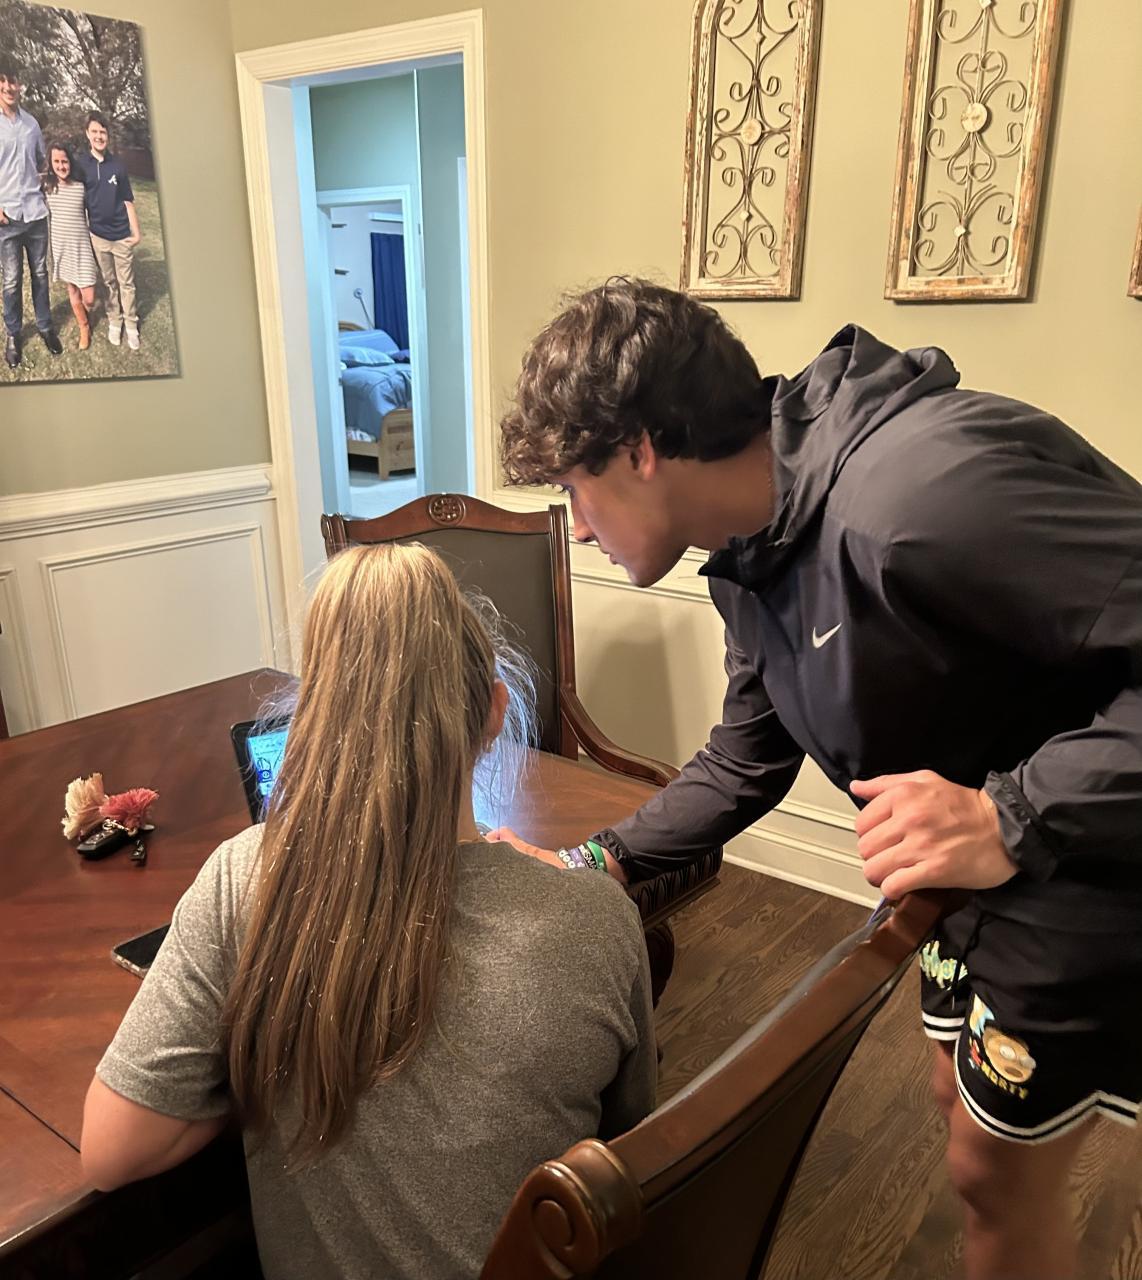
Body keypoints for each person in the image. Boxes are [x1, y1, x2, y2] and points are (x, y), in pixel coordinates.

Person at [494, 278, 1142, 1280]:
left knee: (993, 1175)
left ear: (639, 450)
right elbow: (745, 759)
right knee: (958, 1104)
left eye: (576, 490)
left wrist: (1009, 816)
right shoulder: (752, 551)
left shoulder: (921, 495)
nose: (576, 528)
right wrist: (593, 863)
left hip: (1081, 873)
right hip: (963, 889)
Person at [80, 543, 656, 1280]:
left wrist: (264, 1055)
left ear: (312, 721)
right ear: (494, 712)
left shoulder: (244, 879)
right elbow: (627, 1151)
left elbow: (111, 1152)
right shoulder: (599, 920)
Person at [0, 59, 62, 368]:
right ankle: (13, 334)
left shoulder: (32, 124)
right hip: (7, 218)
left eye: (13, 81)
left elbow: (41, 161)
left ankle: (45, 326)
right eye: (3, 81)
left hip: (36, 215)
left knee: (40, 275)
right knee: (12, 281)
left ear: (20, 86)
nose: (9, 87)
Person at [74, 111, 141, 350]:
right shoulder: (81, 166)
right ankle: (115, 319)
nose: (99, 136)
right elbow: (75, 197)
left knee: (126, 283)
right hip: (98, 236)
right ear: (87, 134)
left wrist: (136, 232)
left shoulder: (118, 166)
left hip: (121, 236)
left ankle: (131, 324)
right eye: (94, 131)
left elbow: (127, 200)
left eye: (103, 132)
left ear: (107, 135)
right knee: (109, 281)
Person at [42, 143, 98, 351]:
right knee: (72, 288)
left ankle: (86, 312)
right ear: (51, 164)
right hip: (61, 248)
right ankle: (84, 326)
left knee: (89, 297)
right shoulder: (48, 188)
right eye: (56, 162)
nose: (61, 166)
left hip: (82, 248)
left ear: (70, 162)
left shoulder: (80, 187)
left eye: (64, 161)